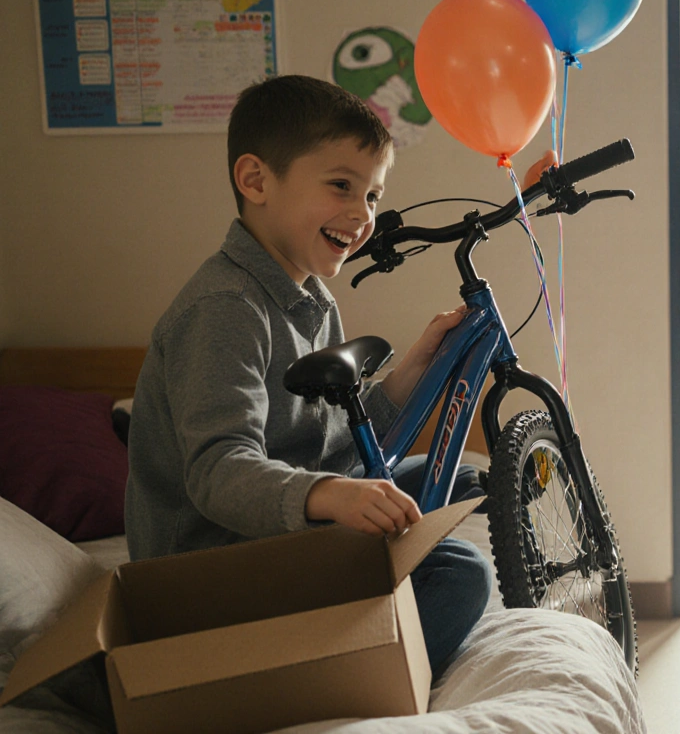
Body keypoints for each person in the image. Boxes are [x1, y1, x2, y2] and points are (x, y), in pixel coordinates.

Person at [124, 75, 556, 678]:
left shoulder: (309, 297)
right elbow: (217, 473)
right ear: (256, 181)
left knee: (452, 477)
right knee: (461, 574)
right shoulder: (224, 309)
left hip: (277, 531)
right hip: (211, 572)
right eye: (340, 186)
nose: (362, 215)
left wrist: (413, 369)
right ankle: (331, 687)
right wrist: (332, 495)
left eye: (374, 196)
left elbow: (333, 443)